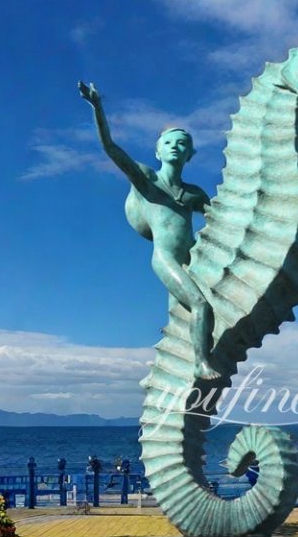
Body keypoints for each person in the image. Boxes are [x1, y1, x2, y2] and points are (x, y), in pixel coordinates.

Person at [79, 81, 219, 380]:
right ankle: (200, 364)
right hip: (165, 256)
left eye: (182, 143)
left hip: (192, 259)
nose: (175, 147)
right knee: (199, 305)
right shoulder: (146, 180)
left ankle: (166, 373)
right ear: (157, 152)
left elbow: (222, 221)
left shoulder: (195, 194)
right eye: (169, 142)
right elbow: (111, 149)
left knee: (185, 322)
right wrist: (98, 108)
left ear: (190, 155)